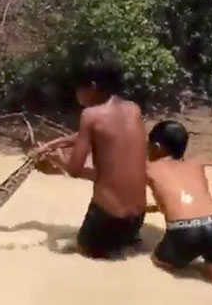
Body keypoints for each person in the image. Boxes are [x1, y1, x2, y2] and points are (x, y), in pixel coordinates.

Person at [36, 48, 147, 259]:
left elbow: (74, 170)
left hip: (106, 219)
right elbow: (102, 133)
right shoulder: (133, 109)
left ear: (93, 87)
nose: (76, 93)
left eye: (78, 87)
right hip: (135, 220)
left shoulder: (90, 115)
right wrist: (54, 143)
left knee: (81, 255)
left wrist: (56, 158)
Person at [146, 121, 212, 283]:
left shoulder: (149, 168)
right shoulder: (197, 166)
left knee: (158, 265)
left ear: (156, 147)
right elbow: (197, 198)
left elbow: (134, 199)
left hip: (183, 230)